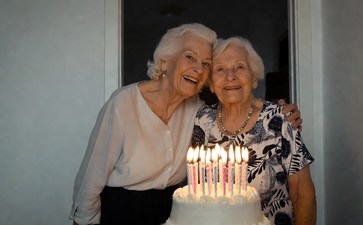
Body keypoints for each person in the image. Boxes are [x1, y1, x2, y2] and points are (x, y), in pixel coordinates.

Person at [70, 23, 303, 225]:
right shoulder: (124, 104)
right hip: (124, 211)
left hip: (174, 212)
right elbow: (90, 179)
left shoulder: (197, 110)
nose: (198, 68)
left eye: (206, 63)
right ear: (166, 60)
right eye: (190, 57)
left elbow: (237, 101)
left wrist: (282, 111)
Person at [191, 37, 316, 225]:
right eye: (220, 69)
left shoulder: (280, 119)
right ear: (211, 84)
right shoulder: (202, 119)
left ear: (254, 78)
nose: (230, 76)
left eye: (239, 67)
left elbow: (303, 193)